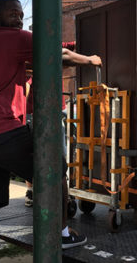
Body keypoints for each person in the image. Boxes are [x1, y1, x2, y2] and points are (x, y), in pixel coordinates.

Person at [0, 0, 101, 263]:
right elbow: (59, 54)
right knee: (55, 167)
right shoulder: (13, 38)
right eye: (13, 13)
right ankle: (62, 233)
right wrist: (91, 60)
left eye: (21, 15)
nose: (20, 19)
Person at [24, 44, 102, 207]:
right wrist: (90, 60)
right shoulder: (41, 49)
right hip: (47, 111)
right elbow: (65, 52)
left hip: (45, 110)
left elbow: (67, 47)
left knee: (38, 155)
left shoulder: (37, 46)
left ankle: (37, 192)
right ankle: (59, 197)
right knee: (58, 157)